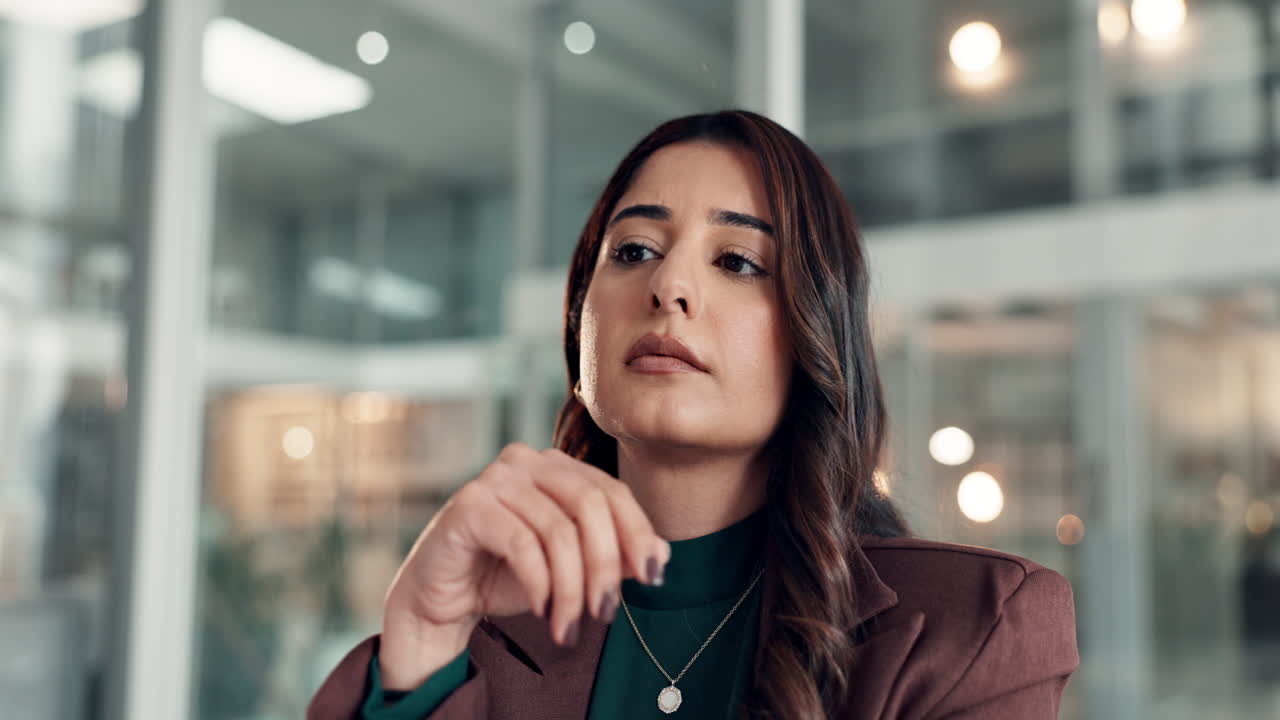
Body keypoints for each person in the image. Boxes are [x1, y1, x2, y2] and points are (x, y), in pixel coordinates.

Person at [307, 110, 1079, 720]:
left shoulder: (970, 631)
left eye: (737, 262)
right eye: (635, 250)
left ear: (815, 332)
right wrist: (416, 642)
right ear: (580, 324)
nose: (669, 285)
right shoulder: (480, 629)